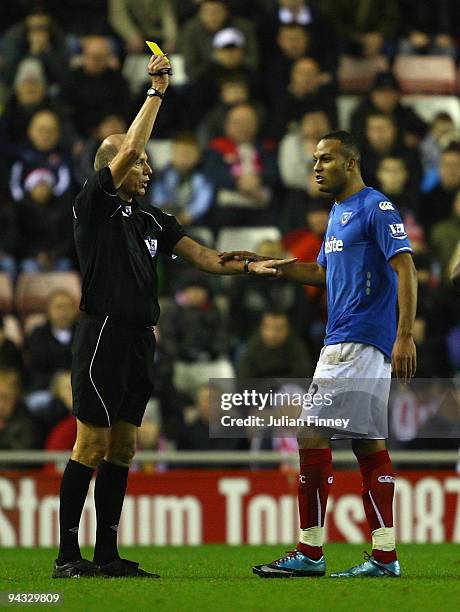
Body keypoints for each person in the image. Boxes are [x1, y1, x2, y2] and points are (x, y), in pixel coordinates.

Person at [54, 51, 295, 579]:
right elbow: (131, 145)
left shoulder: (154, 218)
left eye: (144, 162)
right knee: (90, 442)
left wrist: (254, 267)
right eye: (138, 162)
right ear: (113, 166)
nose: (148, 166)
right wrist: (156, 92)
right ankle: (67, 556)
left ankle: (108, 554)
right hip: (103, 334)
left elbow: (208, 259)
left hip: (141, 339)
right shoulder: (91, 206)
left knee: (123, 445)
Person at [220, 130, 417, 578]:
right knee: (368, 445)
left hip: (355, 338)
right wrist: (270, 265)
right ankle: (385, 554)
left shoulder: (374, 206)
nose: (316, 167)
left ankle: (310, 551)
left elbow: (405, 267)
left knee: (310, 434)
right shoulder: (337, 213)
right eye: (314, 159)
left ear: (350, 163)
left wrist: (404, 334)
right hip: (351, 340)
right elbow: (322, 273)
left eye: (326, 159)